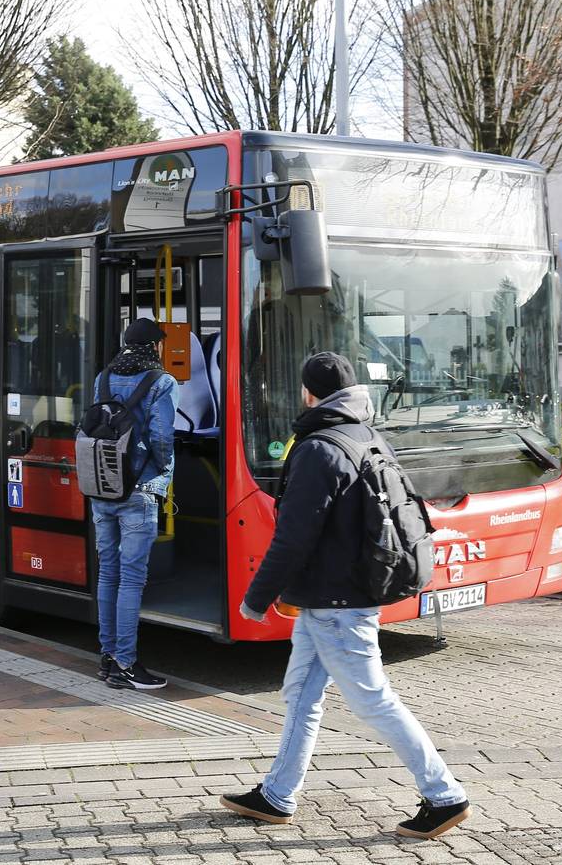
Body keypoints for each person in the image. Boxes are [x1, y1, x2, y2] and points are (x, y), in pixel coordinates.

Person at [220, 352, 470, 841]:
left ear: (309, 394)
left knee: (373, 700)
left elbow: (293, 537)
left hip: (338, 602)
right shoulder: (365, 434)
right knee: (301, 696)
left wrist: (256, 598)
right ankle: (277, 795)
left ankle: (444, 796)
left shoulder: (318, 448)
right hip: (334, 597)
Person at [92, 318, 178, 691]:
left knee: (108, 574)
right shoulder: (162, 382)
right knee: (131, 579)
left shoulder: (104, 378)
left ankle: (108, 659)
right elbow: (162, 437)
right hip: (138, 490)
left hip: (102, 487)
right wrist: (165, 471)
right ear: (153, 346)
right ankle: (127, 664)